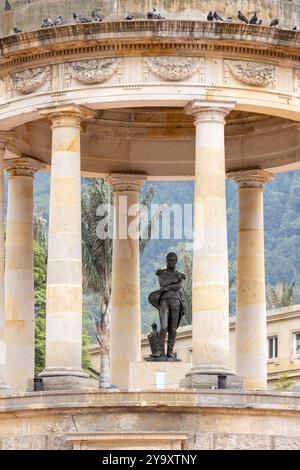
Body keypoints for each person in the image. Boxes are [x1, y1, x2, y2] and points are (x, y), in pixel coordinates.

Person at [148, 252, 186, 358]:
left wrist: (167, 288)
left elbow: (178, 287)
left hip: (176, 302)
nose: (171, 262)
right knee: (164, 327)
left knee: (172, 329)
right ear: (166, 261)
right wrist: (174, 281)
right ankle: (160, 351)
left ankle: (170, 352)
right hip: (164, 301)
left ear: (176, 261)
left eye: (173, 260)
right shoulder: (162, 273)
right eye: (169, 260)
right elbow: (163, 283)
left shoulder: (179, 274)